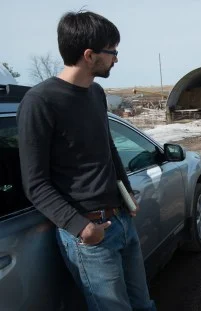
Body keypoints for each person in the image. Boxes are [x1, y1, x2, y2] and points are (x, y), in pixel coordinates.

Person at [17, 11, 157, 311]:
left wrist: (127, 193)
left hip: (121, 219)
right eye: (112, 52)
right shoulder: (40, 102)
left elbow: (108, 148)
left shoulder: (95, 93)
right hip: (90, 234)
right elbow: (35, 183)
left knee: (143, 305)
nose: (116, 59)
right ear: (89, 55)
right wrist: (81, 228)